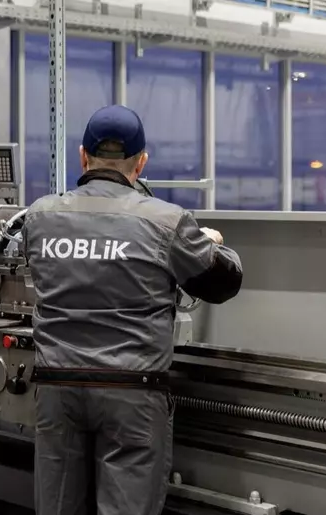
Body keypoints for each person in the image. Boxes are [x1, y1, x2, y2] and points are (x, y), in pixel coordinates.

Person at [21, 105, 243, 515]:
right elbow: (223, 283)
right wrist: (211, 243)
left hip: (57, 389)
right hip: (132, 393)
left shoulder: (40, 216)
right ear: (140, 163)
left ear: (83, 157)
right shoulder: (166, 222)